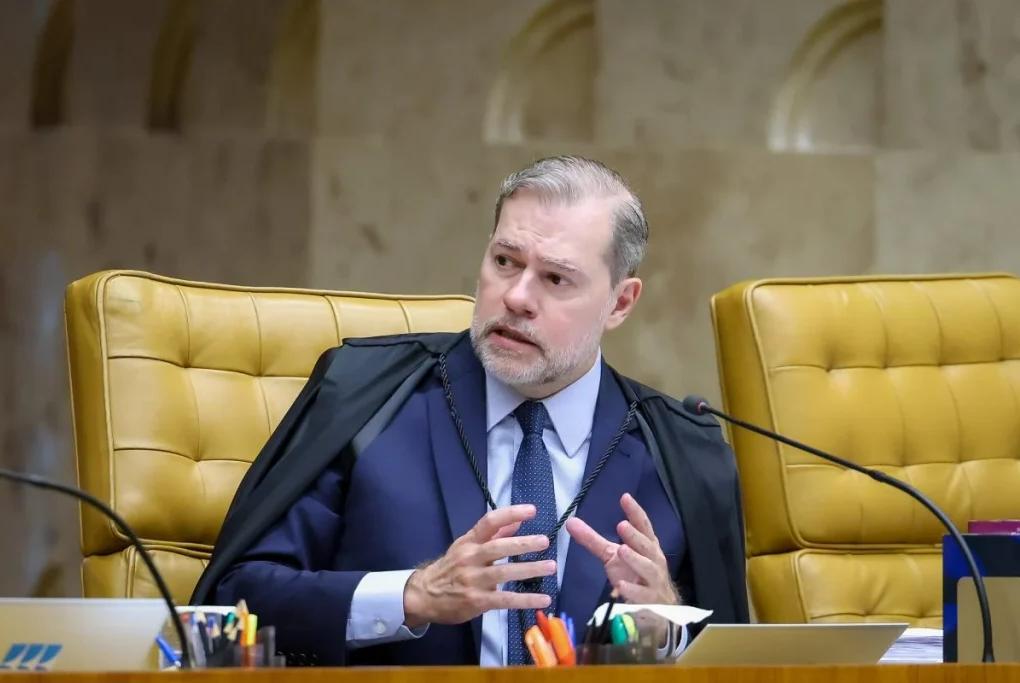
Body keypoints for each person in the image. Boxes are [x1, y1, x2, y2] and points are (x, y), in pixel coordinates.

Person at [190, 155, 749, 667]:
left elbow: (741, 664)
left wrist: (664, 626)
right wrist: (411, 596)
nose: (517, 297)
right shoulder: (365, 396)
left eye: (556, 278)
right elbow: (232, 603)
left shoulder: (684, 454)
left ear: (619, 303)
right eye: (505, 261)